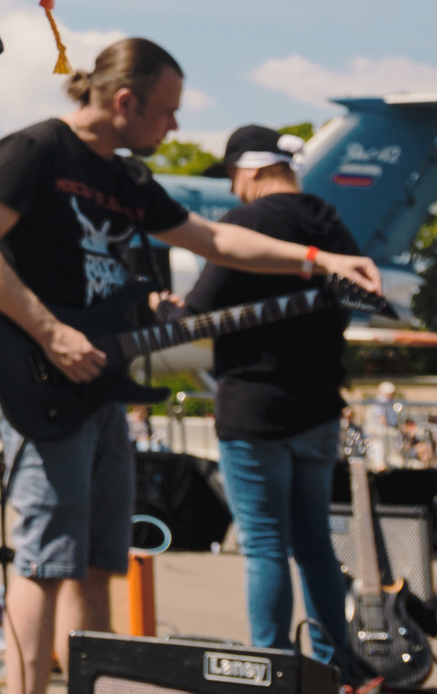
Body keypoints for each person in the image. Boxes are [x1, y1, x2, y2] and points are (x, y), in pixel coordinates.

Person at [0, 40, 385, 694]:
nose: (175, 126)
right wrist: (52, 331)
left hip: (101, 390)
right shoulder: (36, 150)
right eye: (168, 111)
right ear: (126, 100)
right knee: (40, 560)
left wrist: (317, 260)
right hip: (42, 379)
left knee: (97, 562)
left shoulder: (126, 179)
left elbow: (215, 238)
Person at [179, 125, 365, 672]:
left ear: (252, 171)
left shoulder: (245, 222)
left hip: (255, 407)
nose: (234, 191)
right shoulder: (328, 220)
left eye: (234, 177)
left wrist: (165, 311)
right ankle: (336, 668)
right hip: (317, 408)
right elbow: (353, 300)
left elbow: (199, 309)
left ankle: (274, 669)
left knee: (263, 548)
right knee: (315, 548)